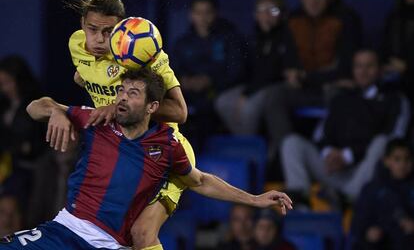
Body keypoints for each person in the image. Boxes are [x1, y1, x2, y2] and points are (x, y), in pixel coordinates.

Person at [0, 69, 292, 249]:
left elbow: (200, 180)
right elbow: (34, 107)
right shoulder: (98, 119)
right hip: (64, 231)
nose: (122, 99)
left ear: (153, 106)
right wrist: (57, 112)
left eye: (133, 93)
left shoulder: (167, 144)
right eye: (121, 91)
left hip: (110, 245)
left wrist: (255, 199)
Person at [63, 0, 194, 250]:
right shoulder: (76, 45)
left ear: (122, 28)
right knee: (111, 232)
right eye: (93, 29)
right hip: (122, 151)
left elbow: (180, 112)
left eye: (109, 32)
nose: (100, 39)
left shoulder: (139, 52)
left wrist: (118, 106)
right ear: (82, 25)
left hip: (162, 148)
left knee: (142, 234)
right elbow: (84, 75)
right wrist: (82, 80)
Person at [280, 49, 409, 203]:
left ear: (380, 70)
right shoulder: (341, 98)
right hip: (332, 169)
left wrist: (348, 155)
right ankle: (299, 198)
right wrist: (329, 153)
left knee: (381, 142)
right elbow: (320, 135)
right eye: (359, 66)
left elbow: (394, 141)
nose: (363, 71)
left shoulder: (394, 100)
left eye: (369, 66)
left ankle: (347, 197)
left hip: (364, 173)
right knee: (292, 143)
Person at [264, 0, 362, 157]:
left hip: (332, 87)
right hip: (304, 87)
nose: (314, 1)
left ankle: (328, 153)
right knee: (274, 96)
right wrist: (292, 72)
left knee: (339, 95)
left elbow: (347, 67)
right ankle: (286, 150)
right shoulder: (293, 19)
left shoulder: (345, 18)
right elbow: (288, 58)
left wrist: (306, 76)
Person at [215, 0, 297, 138]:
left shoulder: (287, 35)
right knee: (223, 101)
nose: (266, 15)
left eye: (272, 10)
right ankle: (245, 142)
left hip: (274, 86)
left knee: (248, 108)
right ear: (255, 14)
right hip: (253, 86)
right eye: (261, 10)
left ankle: (252, 150)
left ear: (282, 14)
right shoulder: (252, 38)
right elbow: (247, 70)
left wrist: (247, 94)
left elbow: (274, 73)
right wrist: (245, 91)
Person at [171, 0, 246, 149]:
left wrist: (209, 81)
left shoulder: (229, 38)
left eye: (207, 12)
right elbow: (172, 71)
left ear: (215, 13)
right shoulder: (183, 42)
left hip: (217, 95)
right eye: (198, 12)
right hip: (188, 96)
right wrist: (184, 81)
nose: (203, 18)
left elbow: (236, 72)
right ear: (191, 14)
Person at [0, 55, 47, 225]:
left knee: (27, 211)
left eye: (8, 82)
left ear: (19, 79)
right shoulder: (3, 104)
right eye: (2, 83)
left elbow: (39, 141)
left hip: (33, 169)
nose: (5, 88)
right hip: (9, 167)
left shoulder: (37, 102)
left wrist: (22, 147)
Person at [351, 138, 414, 250]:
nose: (403, 165)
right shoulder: (372, 189)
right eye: (397, 159)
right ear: (386, 161)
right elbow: (357, 223)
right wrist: (367, 233)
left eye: (407, 159)